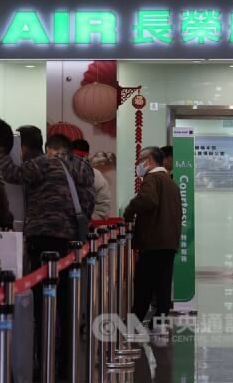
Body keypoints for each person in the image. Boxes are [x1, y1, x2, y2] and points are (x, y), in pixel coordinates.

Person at [0, 131, 95, 380]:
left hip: (45, 235)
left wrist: (3, 149)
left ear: (50, 149)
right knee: (66, 300)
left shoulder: (47, 162)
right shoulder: (83, 166)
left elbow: (13, 175)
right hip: (73, 238)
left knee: (43, 300)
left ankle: (45, 359)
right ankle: (66, 361)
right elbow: (89, 200)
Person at [124, 146, 182, 328]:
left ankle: (135, 320)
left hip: (153, 241)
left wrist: (130, 208)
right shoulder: (171, 182)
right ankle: (160, 321)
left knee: (143, 283)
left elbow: (148, 201)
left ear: (149, 161)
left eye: (140, 160)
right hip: (168, 241)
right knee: (163, 284)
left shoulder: (152, 178)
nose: (138, 164)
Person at [72, 139, 112, 220]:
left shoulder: (97, 176)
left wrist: (88, 221)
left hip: (87, 227)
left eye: (80, 157)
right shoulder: (62, 173)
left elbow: (102, 208)